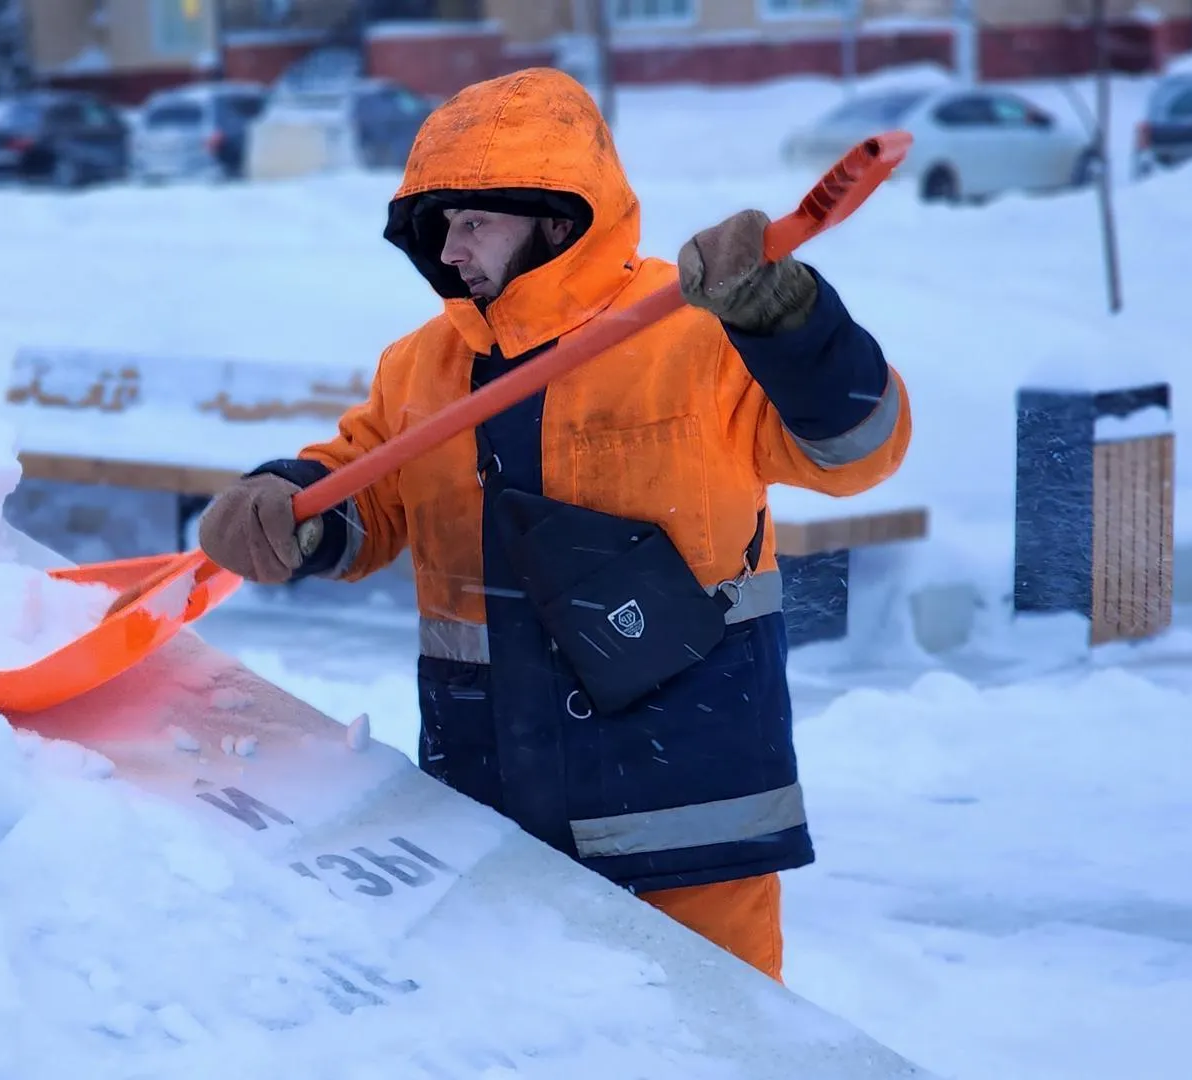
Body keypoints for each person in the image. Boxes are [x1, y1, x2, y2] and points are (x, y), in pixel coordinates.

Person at [194, 67, 910, 984]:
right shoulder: (423, 364)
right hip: (489, 803)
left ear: (557, 217)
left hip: (682, 802)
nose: (450, 251)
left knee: (710, 1048)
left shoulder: (695, 337)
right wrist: (286, 506)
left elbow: (860, 449)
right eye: (438, 226)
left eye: (476, 221)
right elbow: (364, 493)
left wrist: (791, 326)